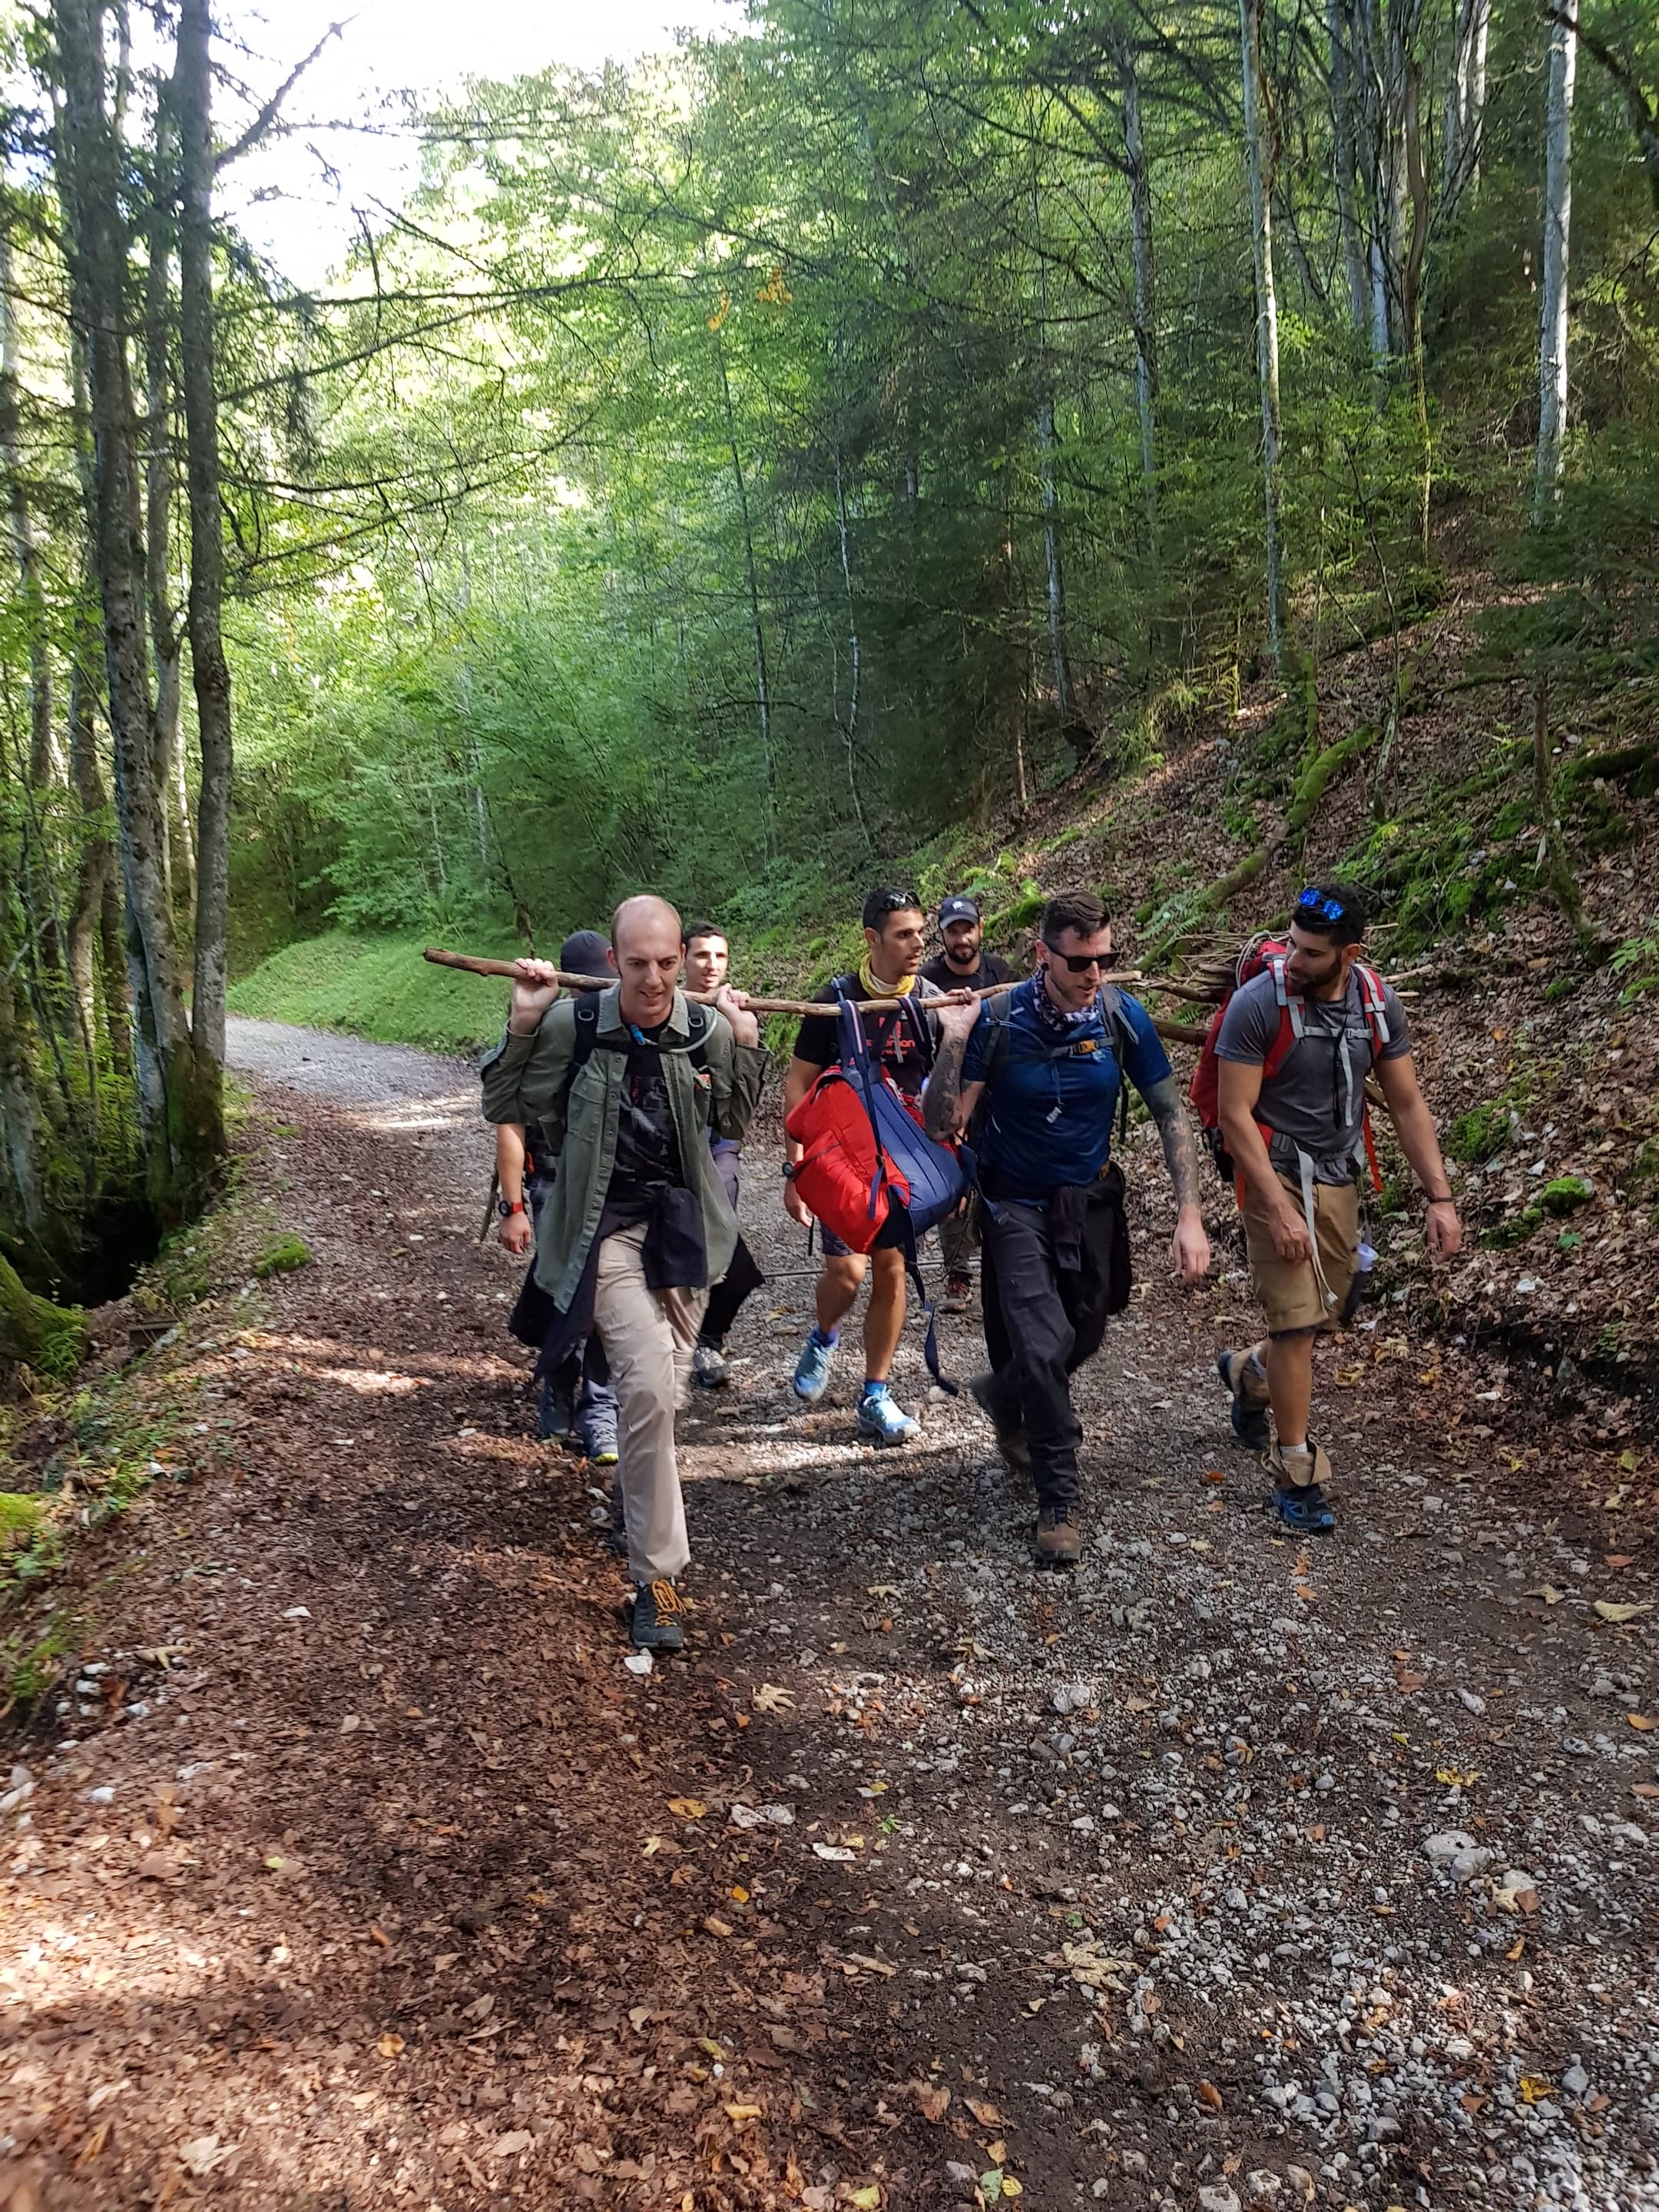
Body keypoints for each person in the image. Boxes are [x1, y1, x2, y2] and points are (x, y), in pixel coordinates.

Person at [481, 895, 767, 1651]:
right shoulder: (574, 1027)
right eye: (636, 964)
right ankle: (661, 1586)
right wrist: (522, 1020)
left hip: (686, 1232)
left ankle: (639, 1514)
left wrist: (744, 1041)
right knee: (643, 1387)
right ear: (612, 963)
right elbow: (503, 1103)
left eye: (667, 964)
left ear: (681, 958)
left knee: (660, 1405)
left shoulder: (700, 1028)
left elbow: (735, 1120)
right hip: (604, 1229)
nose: (653, 979)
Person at [924, 890, 1211, 1565]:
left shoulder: (1118, 1015)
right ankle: (1059, 1497)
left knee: (1088, 1327)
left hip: (1088, 1199)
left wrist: (1189, 1212)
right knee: (1046, 1343)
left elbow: (1171, 1112)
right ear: (1042, 955)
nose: (1095, 975)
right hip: (1012, 1204)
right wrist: (957, 1038)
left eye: (1105, 959)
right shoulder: (998, 1020)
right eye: (1081, 962)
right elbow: (943, 1122)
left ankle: (1004, 1391)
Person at [1213, 881, 1462, 1534]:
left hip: (1337, 1175)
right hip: (1272, 1170)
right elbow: (1234, 1115)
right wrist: (1277, 1207)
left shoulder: (1376, 1004)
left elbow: (1406, 1104)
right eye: (1291, 946)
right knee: (1296, 1323)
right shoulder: (1257, 1003)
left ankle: (1247, 1371)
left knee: (1326, 1311)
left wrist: (1440, 1197)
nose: (1293, 962)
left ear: (1351, 952)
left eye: (1311, 954)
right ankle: (1296, 1475)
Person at [783, 887, 949, 1445]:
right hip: (846, 1163)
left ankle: (874, 1393)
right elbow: (799, 1083)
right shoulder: (834, 1001)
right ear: (872, 940)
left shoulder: (931, 1000)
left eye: (921, 932)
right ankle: (824, 1336)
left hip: (908, 1167)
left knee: (893, 1269)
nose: (918, 943)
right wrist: (796, 1169)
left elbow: (951, 1085)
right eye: (905, 934)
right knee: (846, 1275)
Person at [495, 930, 620, 1468]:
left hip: (614, 1184)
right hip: (553, 1184)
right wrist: (514, 1207)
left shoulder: (625, 1026)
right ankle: (557, 1383)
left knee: (606, 1299)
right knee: (565, 1291)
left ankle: (599, 1404)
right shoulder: (554, 1032)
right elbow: (509, 1120)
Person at [920, 896, 1013, 1311]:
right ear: (941, 934)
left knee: (999, 1176)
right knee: (954, 1182)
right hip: (951, 1089)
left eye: (967, 928)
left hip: (998, 1089)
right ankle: (957, 1276)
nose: (962, 938)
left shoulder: (1001, 972)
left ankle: (1003, 1263)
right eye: (953, 930)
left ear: (981, 927)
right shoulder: (927, 981)